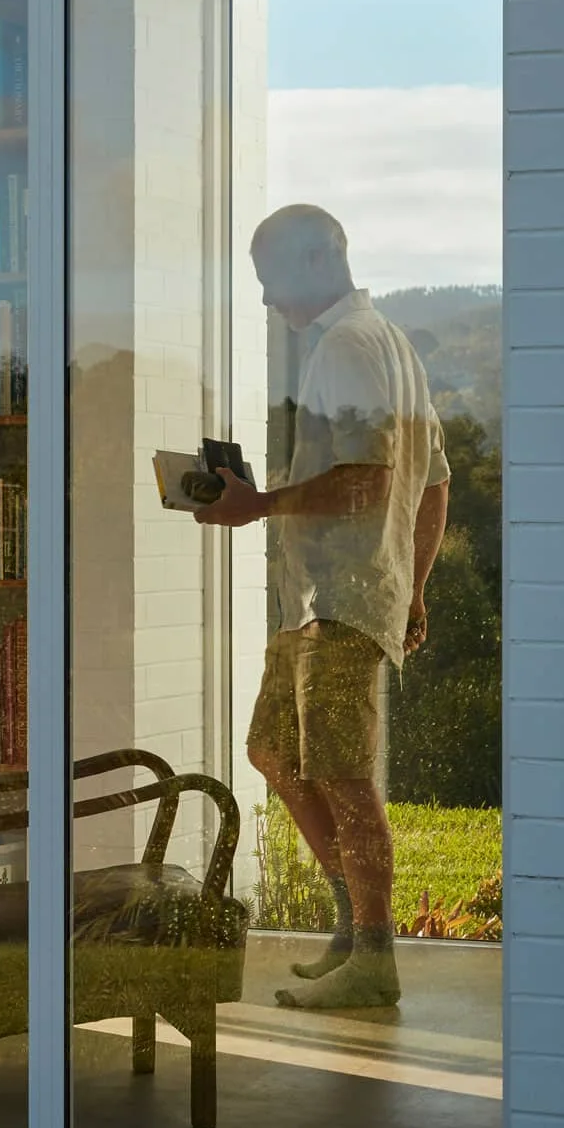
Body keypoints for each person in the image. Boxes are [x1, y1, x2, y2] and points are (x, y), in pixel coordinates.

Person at [195, 204, 449, 1009]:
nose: (267, 302)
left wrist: (258, 504)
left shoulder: (346, 346)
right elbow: (435, 481)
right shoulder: (389, 342)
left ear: (312, 264)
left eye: (270, 283)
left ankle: (374, 958)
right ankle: (353, 929)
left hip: (341, 598)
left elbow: (368, 480)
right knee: (274, 751)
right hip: (327, 597)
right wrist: (413, 584)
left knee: (342, 776)